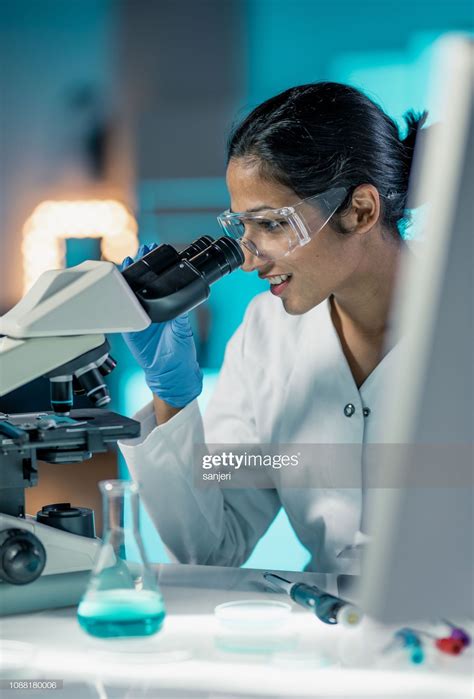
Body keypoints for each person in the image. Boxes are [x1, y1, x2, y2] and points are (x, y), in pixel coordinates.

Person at [119, 82, 427, 573]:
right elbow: (213, 549)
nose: (248, 259)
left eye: (273, 225)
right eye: (243, 227)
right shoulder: (267, 336)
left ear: (361, 210)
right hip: (330, 631)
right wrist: (172, 397)